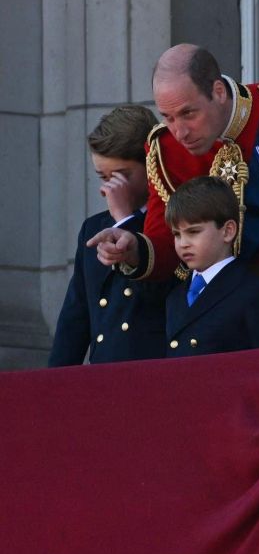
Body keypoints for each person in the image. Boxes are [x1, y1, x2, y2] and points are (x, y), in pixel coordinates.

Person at [87, 45, 259, 343]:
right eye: (167, 117)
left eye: (188, 113)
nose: (179, 131)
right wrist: (135, 249)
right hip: (237, 325)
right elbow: (166, 242)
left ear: (218, 91)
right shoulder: (166, 151)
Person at [48, 106, 174, 366]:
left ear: (150, 165)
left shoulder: (174, 222)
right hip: (104, 374)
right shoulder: (93, 228)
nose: (110, 187)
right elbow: (76, 315)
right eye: (104, 177)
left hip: (151, 372)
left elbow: (155, 288)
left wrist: (125, 221)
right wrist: (53, 383)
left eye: (122, 176)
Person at [163, 176, 259, 356]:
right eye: (177, 234)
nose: (183, 243)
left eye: (193, 232)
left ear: (228, 231)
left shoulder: (253, 291)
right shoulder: (175, 297)